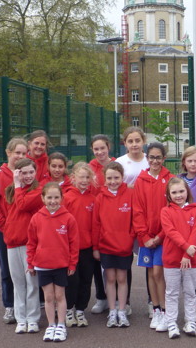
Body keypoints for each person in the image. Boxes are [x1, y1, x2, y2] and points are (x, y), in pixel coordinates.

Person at [27, 182, 79, 342]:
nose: (53, 201)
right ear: (43, 198)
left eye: (56, 197)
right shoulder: (36, 218)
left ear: (62, 198)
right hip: (42, 265)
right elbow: (31, 242)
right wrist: (30, 263)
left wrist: (72, 264)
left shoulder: (68, 218)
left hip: (61, 265)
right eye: (49, 197)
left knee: (60, 295)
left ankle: (61, 325)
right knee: (48, 297)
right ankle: (51, 325)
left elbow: (74, 243)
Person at [133, 142, 175, 331]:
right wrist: (144, 235)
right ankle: (156, 310)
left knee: (160, 273)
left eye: (158, 157)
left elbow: (172, 210)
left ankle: (166, 311)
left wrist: (159, 236)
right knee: (151, 272)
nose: (155, 161)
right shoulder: (140, 181)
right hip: (146, 238)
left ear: (164, 158)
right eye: (152, 157)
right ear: (147, 158)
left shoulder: (171, 179)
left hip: (164, 237)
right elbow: (137, 210)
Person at [0, 137, 28, 324]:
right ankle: (9, 306)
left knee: (28, 270)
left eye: (23, 153)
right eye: (17, 152)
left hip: (25, 232)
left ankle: (27, 305)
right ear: (8, 153)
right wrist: (3, 225)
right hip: (5, 231)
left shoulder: (27, 175)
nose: (20, 156)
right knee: (7, 270)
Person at [92, 162, 135, 328]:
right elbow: (96, 224)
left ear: (122, 177)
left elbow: (134, 220)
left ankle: (122, 310)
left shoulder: (130, 194)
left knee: (122, 278)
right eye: (109, 178)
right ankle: (112, 311)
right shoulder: (100, 198)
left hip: (124, 246)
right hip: (106, 246)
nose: (112, 181)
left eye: (116, 177)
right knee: (110, 279)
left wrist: (129, 237)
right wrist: (96, 247)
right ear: (104, 178)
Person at [3, 158, 43, 334]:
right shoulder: (12, 190)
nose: (27, 176)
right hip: (13, 242)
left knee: (32, 283)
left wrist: (17, 184)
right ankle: (21, 318)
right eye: (23, 173)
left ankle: (33, 318)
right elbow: (10, 212)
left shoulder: (39, 190)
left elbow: (23, 204)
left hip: (30, 244)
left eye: (31, 172)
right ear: (18, 173)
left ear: (35, 173)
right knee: (18, 283)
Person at [160, 177, 196, 338]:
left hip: (191, 261)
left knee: (190, 292)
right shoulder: (166, 211)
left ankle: (190, 321)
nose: (178, 195)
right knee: (171, 293)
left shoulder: (195, 210)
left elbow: (195, 233)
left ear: (187, 192)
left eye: (181, 191)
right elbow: (171, 232)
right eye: (174, 192)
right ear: (169, 195)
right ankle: (171, 323)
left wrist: (187, 255)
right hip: (171, 260)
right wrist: (186, 248)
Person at [116, 127, 149, 316]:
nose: (134, 144)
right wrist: (131, 187)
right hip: (125, 215)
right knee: (125, 258)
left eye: (137, 140)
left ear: (143, 141)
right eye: (130, 141)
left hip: (145, 216)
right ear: (125, 143)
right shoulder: (120, 162)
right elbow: (115, 186)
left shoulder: (149, 160)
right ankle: (124, 301)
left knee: (148, 258)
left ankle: (153, 302)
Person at [62, 162, 96, 328]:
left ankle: (81, 310)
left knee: (85, 280)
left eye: (87, 177)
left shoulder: (92, 198)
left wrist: (95, 246)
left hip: (87, 249)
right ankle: (69, 310)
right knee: (71, 281)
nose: (84, 180)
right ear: (73, 178)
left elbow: (95, 225)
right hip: (69, 249)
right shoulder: (67, 197)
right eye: (81, 177)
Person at [177, 146, 196, 323]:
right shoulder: (176, 181)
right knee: (177, 272)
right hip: (179, 236)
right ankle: (177, 306)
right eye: (190, 160)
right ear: (184, 163)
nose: (193, 164)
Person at [88, 134, 116, 314]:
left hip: (114, 219)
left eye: (102, 148)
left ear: (108, 148)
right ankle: (101, 297)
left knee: (118, 263)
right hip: (95, 218)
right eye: (96, 149)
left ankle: (123, 300)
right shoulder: (90, 168)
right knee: (96, 262)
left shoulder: (116, 164)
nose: (100, 152)